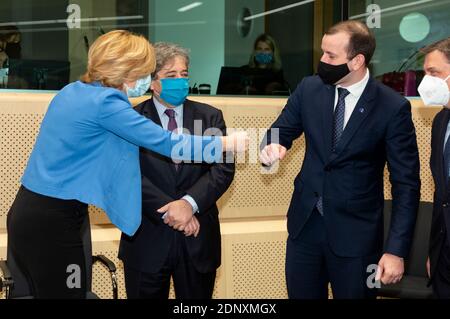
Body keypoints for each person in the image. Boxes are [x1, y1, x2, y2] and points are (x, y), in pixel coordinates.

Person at [6, 30, 247, 299]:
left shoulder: (72, 91)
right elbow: (166, 143)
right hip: (55, 222)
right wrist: (226, 143)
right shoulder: (107, 103)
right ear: (126, 69)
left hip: (29, 213)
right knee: (69, 294)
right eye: (144, 71)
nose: (145, 78)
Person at [260, 20, 420, 299]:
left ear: (357, 60)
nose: (322, 61)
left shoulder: (392, 107)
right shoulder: (309, 89)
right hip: (304, 229)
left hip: (358, 240)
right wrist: (272, 147)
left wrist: (395, 250)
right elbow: (279, 131)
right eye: (322, 52)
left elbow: (406, 185)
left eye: (330, 56)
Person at [119, 42, 235, 299]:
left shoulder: (210, 117)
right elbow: (126, 174)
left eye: (184, 74)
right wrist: (174, 210)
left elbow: (223, 170)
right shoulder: (130, 119)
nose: (180, 81)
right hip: (146, 239)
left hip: (198, 241)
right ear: (151, 81)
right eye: (171, 76)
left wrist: (189, 203)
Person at [421, 37, 450, 298]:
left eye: (434, 73)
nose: (426, 82)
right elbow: (441, 195)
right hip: (444, 256)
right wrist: (435, 252)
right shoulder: (440, 121)